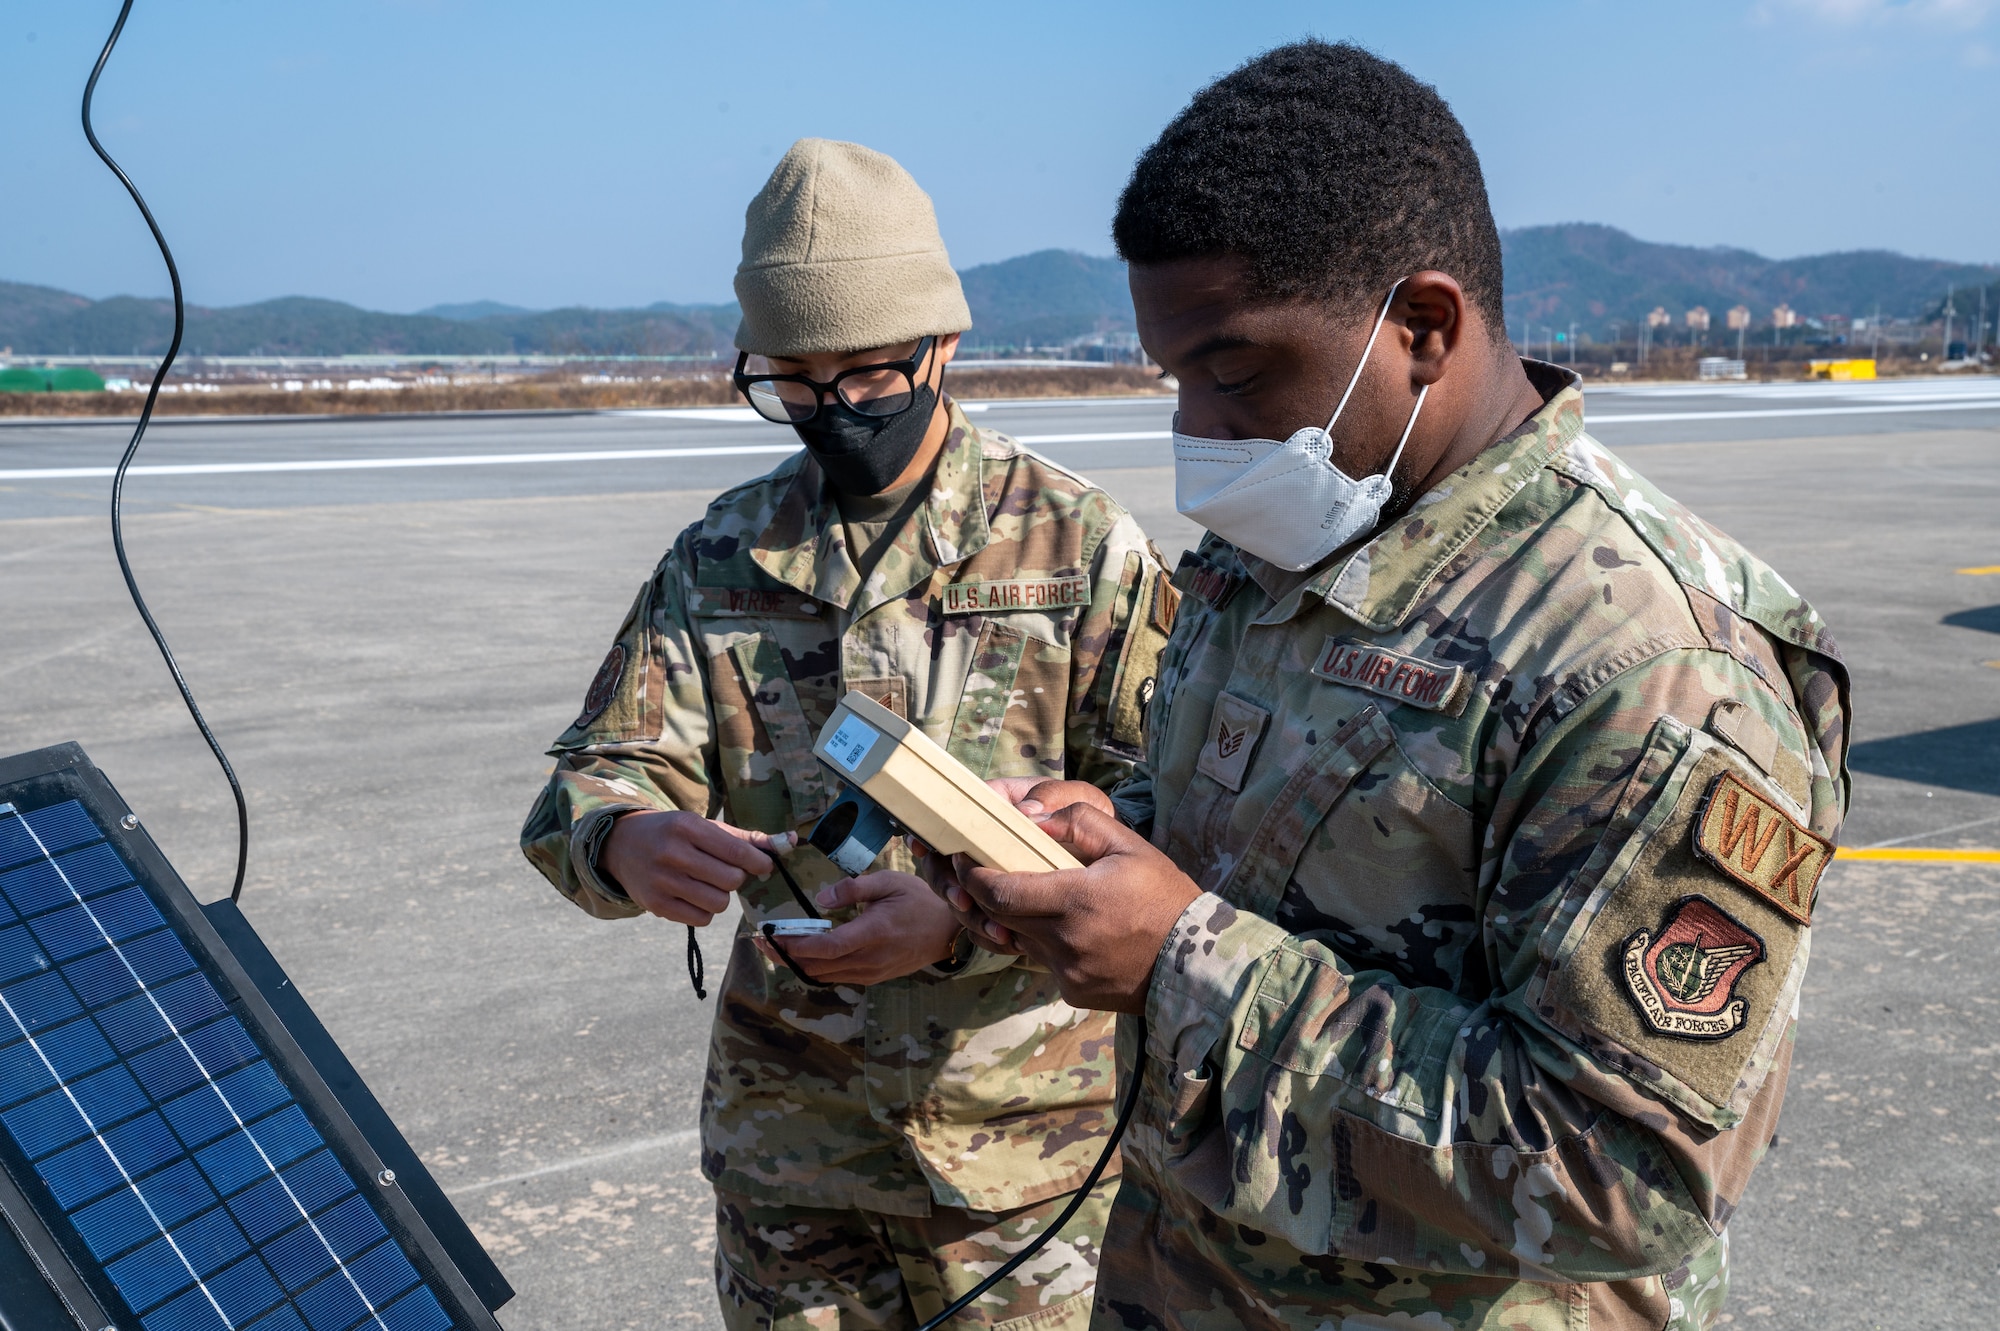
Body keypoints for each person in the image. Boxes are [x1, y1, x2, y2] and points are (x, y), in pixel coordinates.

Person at [934, 44, 1852, 1330]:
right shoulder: (1291, 543)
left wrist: (1179, 957)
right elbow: (1258, 842)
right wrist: (1092, 847)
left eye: (1237, 372)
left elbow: (1620, 1171)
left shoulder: (1649, 662)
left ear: (1421, 328)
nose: (1198, 428)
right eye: (1177, 378)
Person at [520, 138, 1175, 1329]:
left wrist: (959, 923)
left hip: (1018, 1162)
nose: (835, 408)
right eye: (796, 379)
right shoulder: (723, 551)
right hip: (793, 1152)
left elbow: (1168, 812)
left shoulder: (1078, 546)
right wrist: (622, 839)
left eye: (870, 373)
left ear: (943, 345)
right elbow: (596, 771)